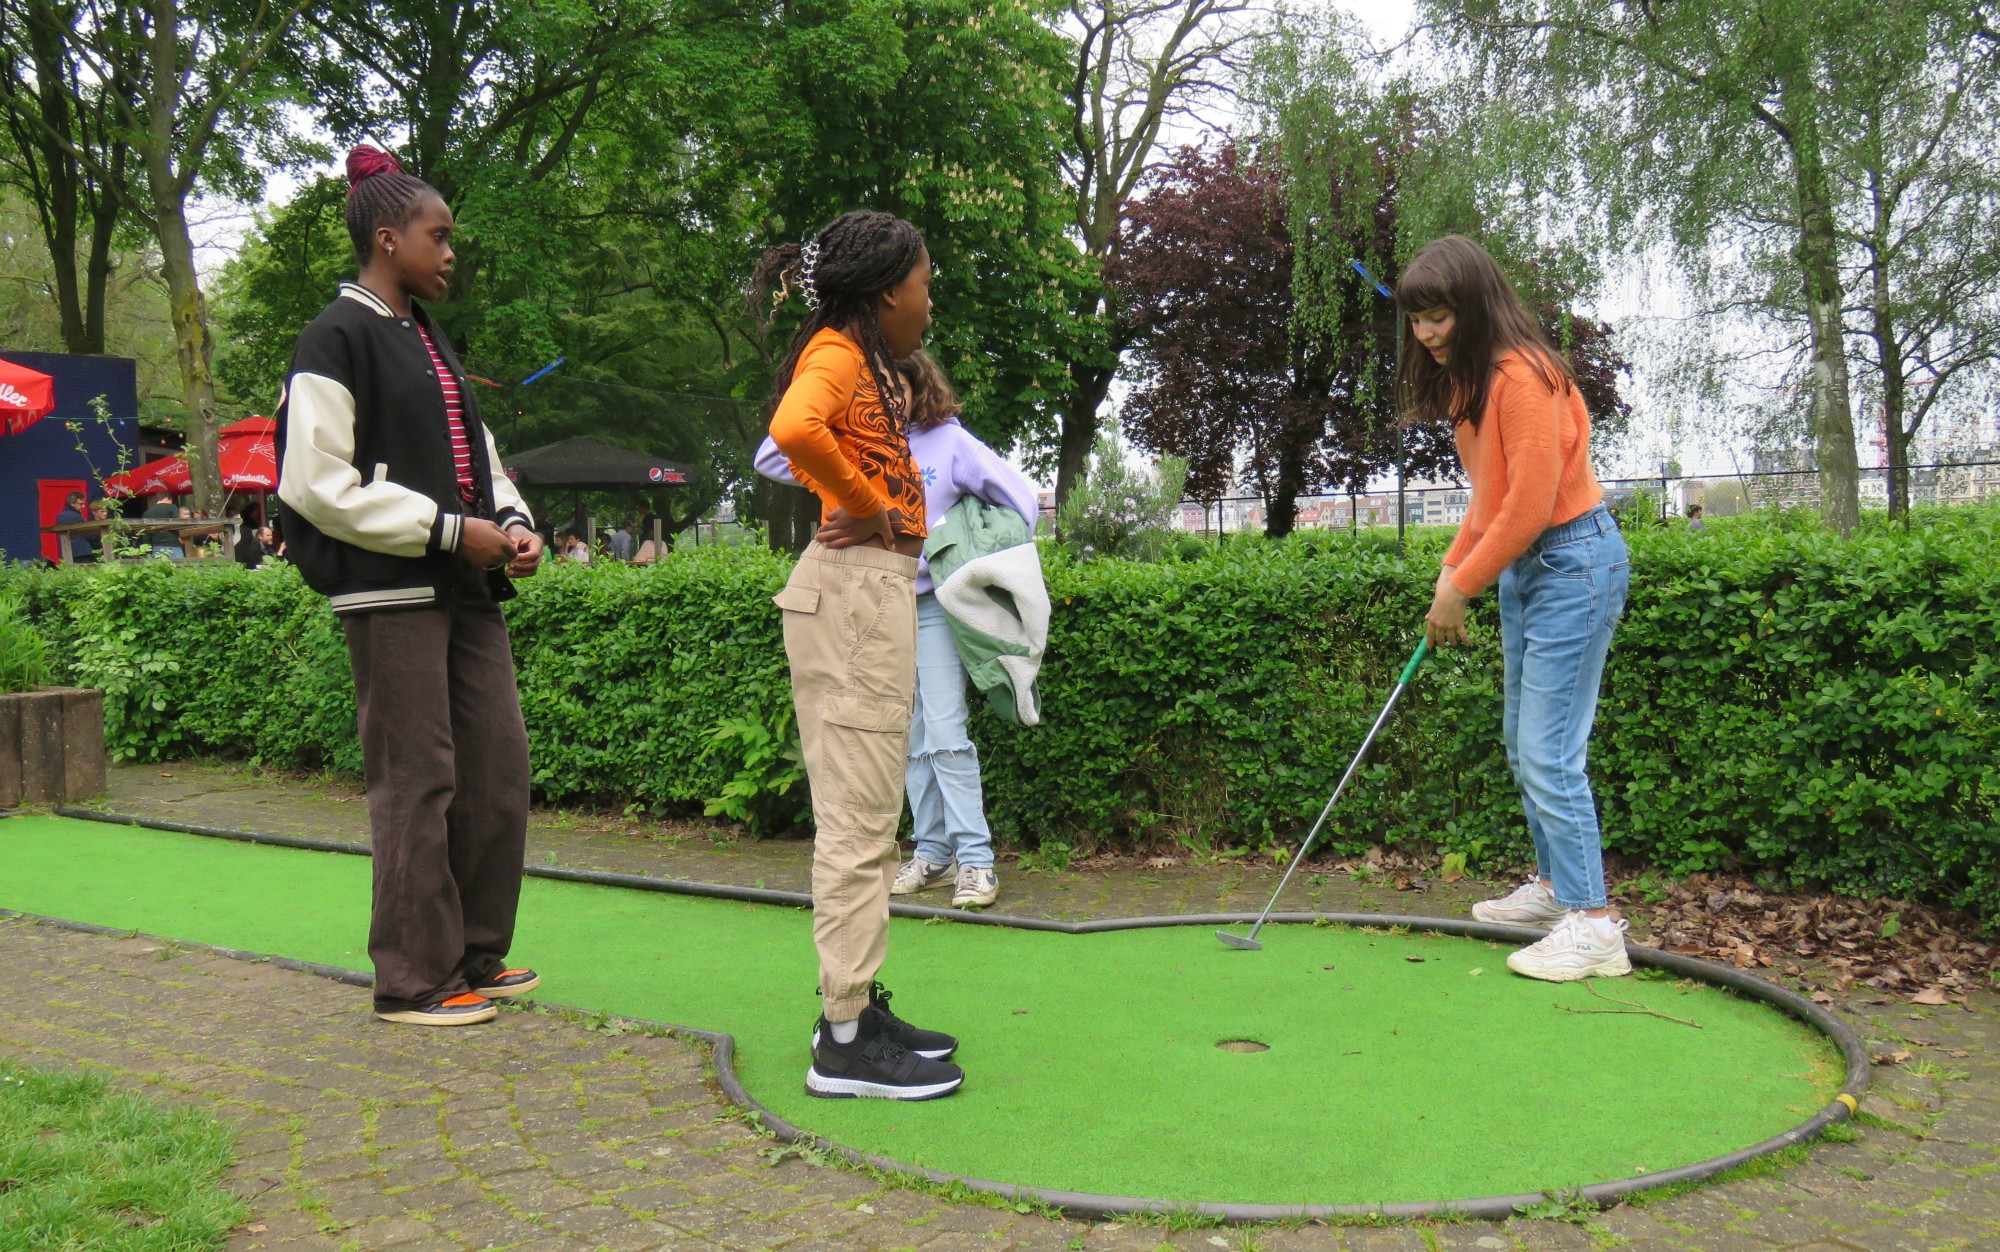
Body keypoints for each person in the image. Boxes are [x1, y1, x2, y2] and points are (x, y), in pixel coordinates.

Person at [275, 144, 546, 1028]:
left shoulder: (429, 339)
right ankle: (411, 978)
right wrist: (443, 530)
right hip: (390, 589)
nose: (451, 250)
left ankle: (472, 953)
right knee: (416, 779)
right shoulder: (335, 334)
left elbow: (479, 454)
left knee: (498, 770)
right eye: (440, 236)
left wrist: (509, 523)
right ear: (388, 240)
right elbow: (314, 482)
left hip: (464, 582)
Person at [752, 209, 963, 1100]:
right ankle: (842, 1040)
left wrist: (864, 498)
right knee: (857, 821)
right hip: (857, 595)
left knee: (869, 816)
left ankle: (855, 1004)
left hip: (868, 594)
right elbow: (794, 430)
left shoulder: (867, 360)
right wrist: (865, 498)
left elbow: (806, 437)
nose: (930, 295)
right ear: (887, 291)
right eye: (923, 281)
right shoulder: (840, 354)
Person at [1401, 235, 1633, 983]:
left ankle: (1595, 926)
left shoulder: (1524, 379)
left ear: (1472, 306)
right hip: (1532, 567)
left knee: (1550, 751)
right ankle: (1555, 893)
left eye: (1438, 316)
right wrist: (1451, 572)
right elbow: (1490, 501)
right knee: (1521, 740)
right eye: (1417, 320)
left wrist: (1460, 586)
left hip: (1574, 562)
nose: (1427, 334)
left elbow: (1531, 506)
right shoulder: (1475, 384)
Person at [754, 351, 1037, 909]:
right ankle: (932, 853)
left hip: (929, 605)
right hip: (872, 603)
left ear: (919, 387)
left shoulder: (949, 442)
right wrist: (830, 407)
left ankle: (975, 862)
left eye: (894, 387)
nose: (886, 398)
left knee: (947, 732)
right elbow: (771, 454)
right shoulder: (853, 443)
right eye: (873, 389)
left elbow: (1020, 504)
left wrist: (962, 545)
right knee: (901, 735)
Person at [53, 491, 97, 564]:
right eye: (80, 504)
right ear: (72, 503)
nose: (83, 506)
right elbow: (88, 534)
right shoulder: (76, 516)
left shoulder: (60, 516)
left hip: (66, 552)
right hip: (82, 553)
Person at [143, 493, 182, 557]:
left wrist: (148, 552)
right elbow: (177, 525)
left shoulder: (147, 513)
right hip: (173, 546)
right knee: (179, 566)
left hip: (156, 547)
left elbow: (146, 536)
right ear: (167, 499)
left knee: (159, 567)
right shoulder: (172, 507)